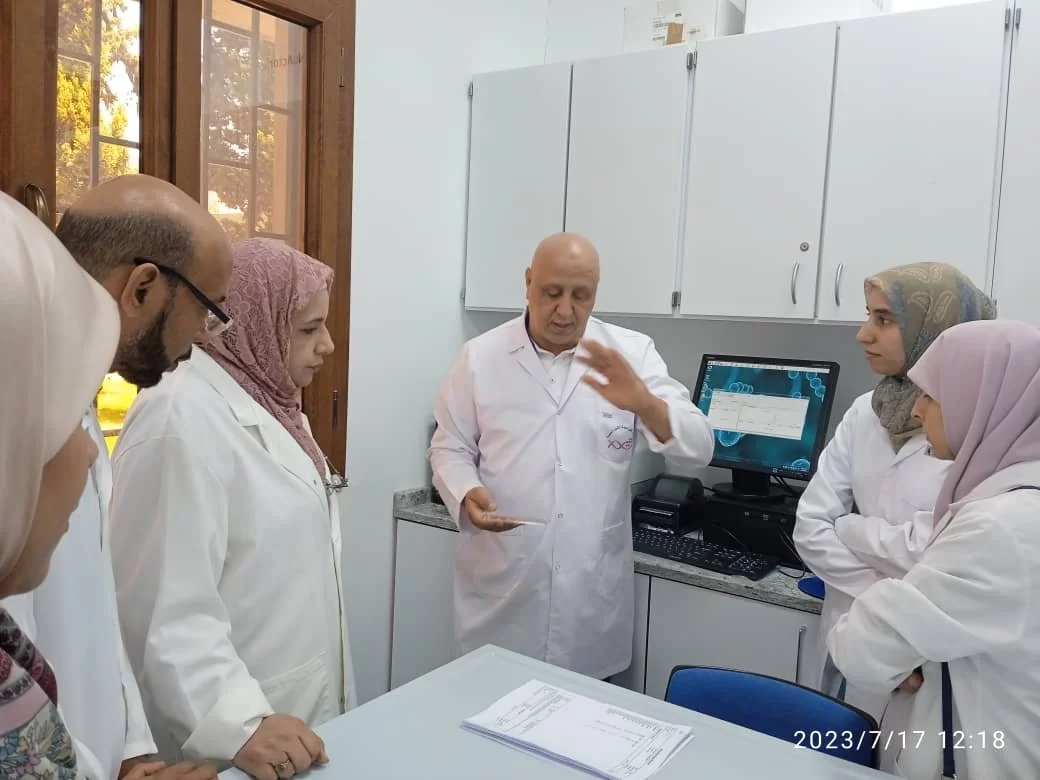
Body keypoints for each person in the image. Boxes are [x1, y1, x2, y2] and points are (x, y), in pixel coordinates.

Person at [1, 174, 233, 780]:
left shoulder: (74, 397)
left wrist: (126, 751)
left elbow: (95, 603)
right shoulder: (27, 410)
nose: (203, 338)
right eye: (207, 310)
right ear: (143, 288)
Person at [109, 238, 355, 780]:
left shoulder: (273, 404)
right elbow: (160, 609)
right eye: (309, 329)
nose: (329, 345)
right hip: (231, 734)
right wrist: (239, 722)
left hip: (295, 708)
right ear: (248, 324)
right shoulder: (177, 417)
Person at [428, 232, 714, 680]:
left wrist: (644, 402)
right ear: (528, 282)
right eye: (552, 292)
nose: (565, 310)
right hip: (501, 599)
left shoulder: (631, 354)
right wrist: (466, 492)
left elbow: (700, 446)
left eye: (581, 296)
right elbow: (449, 446)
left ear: (596, 292)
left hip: (589, 608)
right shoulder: (480, 358)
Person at [829, 319, 1040, 779]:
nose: (918, 410)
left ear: (986, 402)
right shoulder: (1018, 502)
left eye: (932, 395)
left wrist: (850, 532)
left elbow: (862, 650)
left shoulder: (998, 528)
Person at [793, 262, 994, 719]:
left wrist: (850, 528)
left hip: (926, 653)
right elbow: (810, 527)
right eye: (869, 315)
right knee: (834, 743)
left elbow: (942, 550)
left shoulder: (978, 426)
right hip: (851, 626)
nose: (863, 334)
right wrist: (880, 610)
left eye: (884, 319)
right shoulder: (865, 411)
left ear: (937, 330)